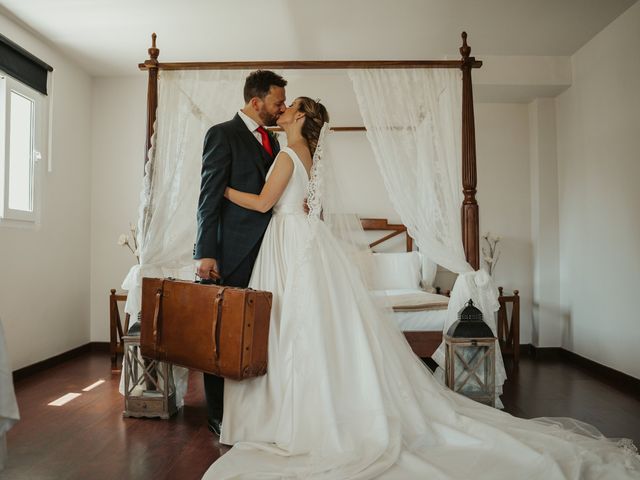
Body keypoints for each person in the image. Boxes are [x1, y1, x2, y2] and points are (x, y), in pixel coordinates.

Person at [202, 97, 640, 479]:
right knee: (304, 327)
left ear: (300, 116)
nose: (283, 109)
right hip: (304, 243)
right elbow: (305, 205)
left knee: (285, 328)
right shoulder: (308, 157)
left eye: (290, 106)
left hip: (286, 242)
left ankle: (286, 416)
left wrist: (224, 191)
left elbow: (262, 202)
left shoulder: (286, 154)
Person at [193, 70, 287, 437]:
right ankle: (218, 414)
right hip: (230, 253)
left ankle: (250, 407)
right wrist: (206, 253)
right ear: (255, 101)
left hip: (268, 251)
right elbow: (208, 197)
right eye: (277, 102)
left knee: (255, 334)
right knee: (221, 334)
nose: (281, 109)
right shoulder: (222, 134)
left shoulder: (274, 144)